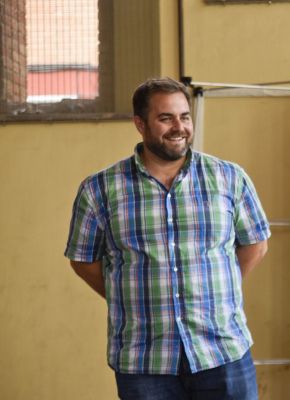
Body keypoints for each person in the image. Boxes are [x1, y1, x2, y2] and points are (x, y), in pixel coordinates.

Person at [65, 77, 270, 399]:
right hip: (144, 360)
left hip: (222, 351)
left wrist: (220, 290)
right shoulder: (100, 189)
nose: (179, 127)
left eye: (184, 116)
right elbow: (82, 259)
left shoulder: (229, 178)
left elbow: (256, 243)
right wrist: (129, 296)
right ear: (139, 124)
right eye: (165, 118)